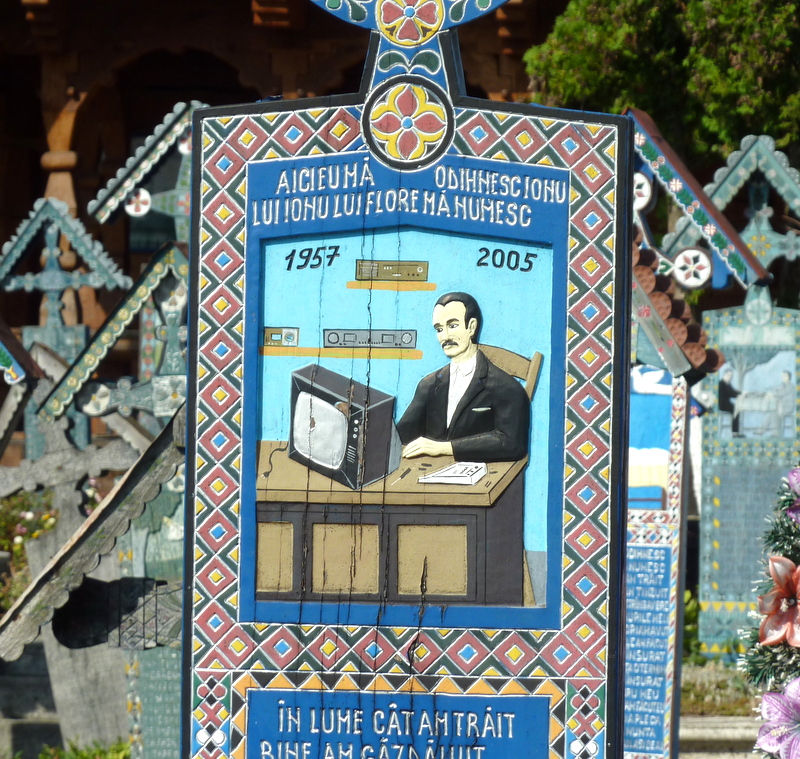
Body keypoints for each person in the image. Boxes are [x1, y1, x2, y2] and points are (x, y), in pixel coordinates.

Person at [397, 291, 530, 462]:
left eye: (452, 326)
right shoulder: (428, 385)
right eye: (439, 329)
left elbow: (512, 444)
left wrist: (445, 448)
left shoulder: (505, 387)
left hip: (484, 474)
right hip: (429, 472)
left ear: (471, 327)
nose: (445, 336)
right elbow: (402, 435)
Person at [718, 368, 742, 437]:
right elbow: (731, 393)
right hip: (722, 405)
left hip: (725, 404)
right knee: (736, 410)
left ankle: (735, 432)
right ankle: (735, 433)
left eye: (731, 376)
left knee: (736, 408)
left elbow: (733, 391)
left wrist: (740, 393)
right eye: (729, 375)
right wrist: (740, 394)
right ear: (725, 374)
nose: (730, 377)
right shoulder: (722, 384)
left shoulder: (727, 383)